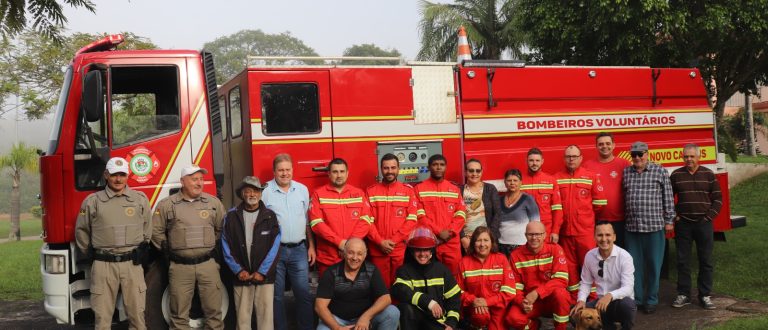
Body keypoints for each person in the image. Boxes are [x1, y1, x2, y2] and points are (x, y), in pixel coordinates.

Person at [74, 157, 151, 330]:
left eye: (122, 174)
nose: (118, 179)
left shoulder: (140, 199)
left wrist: (141, 247)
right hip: (103, 265)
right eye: (114, 175)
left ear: (127, 175)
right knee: (102, 319)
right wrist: (92, 253)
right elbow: (81, 231)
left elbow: (148, 227)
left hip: (132, 264)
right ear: (106, 175)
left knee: (138, 317)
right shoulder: (92, 201)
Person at [152, 165, 227, 329]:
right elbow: (156, 232)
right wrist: (169, 251)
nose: (199, 183)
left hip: (207, 266)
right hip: (180, 267)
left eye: (201, 179)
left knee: (214, 313)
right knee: (179, 316)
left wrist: (209, 245)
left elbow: (222, 228)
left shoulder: (213, 203)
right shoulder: (166, 205)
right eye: (194, 179)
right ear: (182, 182)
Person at [262, 153, 316, 330]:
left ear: (292, 170)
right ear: (274, 172)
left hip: (300, 249)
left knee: (303, 294)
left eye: (287, 169)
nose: (284, 173)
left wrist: (311, 247)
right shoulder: (265, 191)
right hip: (274, 251)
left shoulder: (302, 189)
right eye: (280, 170)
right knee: (276, 296)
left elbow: (307, 221)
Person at [622, 141, 675, 314]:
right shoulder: (626, 173)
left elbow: (668, 198)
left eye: (640, 154)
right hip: (632, 228)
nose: (637, 158)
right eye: (634, 155)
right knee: (633, 266)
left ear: (647, 154)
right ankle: (637, 299)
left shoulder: (659, 171)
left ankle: (651, 299)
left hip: (654, 227)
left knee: (654, 265)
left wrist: (669, 221)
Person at [221, 176, 281, 330]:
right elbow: (225, 245)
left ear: (260, 194)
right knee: (242, 320)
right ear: (242, 194)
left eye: (256, 191)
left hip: (264, 277)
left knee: (266, 320)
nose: (252, 194)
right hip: (241, 276)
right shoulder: (231, 216)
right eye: (248, 191)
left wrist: (262, 272)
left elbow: (275, 247)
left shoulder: (270, 216)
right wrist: (238, 270)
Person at [670, 143, 723, 310]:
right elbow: (668, 198)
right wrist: (674, 216)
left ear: (698, 157)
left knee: (706, 260)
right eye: (686, 156)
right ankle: (684, 294)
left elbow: (718, 199)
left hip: (704, 224)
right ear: (682, 157)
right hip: (683, 224)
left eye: (692, 156)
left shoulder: (708, 174)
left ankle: (705, 295)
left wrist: (709, 217)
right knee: (683, 261)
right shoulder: (676, 175)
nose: (689, 159)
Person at [555, 145, 607, 298]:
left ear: (580, 158)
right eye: (568, 156)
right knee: (569, 267)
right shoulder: (557, 178)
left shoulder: (590, 176)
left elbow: (600, 203)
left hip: (584, 232)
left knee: (590, 265)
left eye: (574, 156)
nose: (571, 159)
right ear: (564, 158)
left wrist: (584, 217)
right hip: (565, 232)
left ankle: (592, 299)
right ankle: (574, 300)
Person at [315, 238, 400, 330]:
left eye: (359, 254)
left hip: (365, 319)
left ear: (365, 255)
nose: (355, 258)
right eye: (351, 252)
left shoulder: (371, 270)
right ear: (344, 253)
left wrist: (366, 317)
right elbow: (320, 307)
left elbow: (386, 299)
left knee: (392, 312)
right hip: (338, 320)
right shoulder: (331, 273)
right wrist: (337, 328)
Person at [310, 158, 372, 277]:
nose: (339, 175)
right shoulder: (318, 194)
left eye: (342, 171)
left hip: (354, 257)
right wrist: (340, 243)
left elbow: (365, 220)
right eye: (335, 172)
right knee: (328, 293)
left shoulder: (358, 194)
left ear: (347, 173)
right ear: (328, 173)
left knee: (352, 292)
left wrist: (349, 245)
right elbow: (316, 223)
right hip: (328, 257)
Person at [392, 227, 462, 330]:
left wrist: (451, 324)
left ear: (432, 251)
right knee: (405, 308)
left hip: (438, 323)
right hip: (415, 322)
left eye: (426, 250)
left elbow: (454, 300)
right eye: (418, 250)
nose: (422, 254)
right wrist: (429, 302)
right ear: (411, 251)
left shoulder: (442, 270)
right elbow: (401, 291)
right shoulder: (404, 271)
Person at [366, 153, 419, 288]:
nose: (389, 171)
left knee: (399, 285)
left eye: (393, 168)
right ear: (381, 169)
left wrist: (394, 241)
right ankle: (384, 309)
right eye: (386, 168)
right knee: (380, 287)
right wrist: (380, 242)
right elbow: (367, 221)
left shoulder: (408, 191)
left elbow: (412, 219)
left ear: (398, 168)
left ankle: (397, 309)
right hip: (378, 248)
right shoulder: (371, 191)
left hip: (399, 248)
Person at [571, 221, 636, 330]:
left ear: (614, 237)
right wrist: (581, 300)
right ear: (594, 237)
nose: (604, 239)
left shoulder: (625, 257)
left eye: (608, 235)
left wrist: (610, 295)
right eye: (600, 235)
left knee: (628, 305)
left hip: (619, 303)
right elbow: (586, 282)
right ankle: (608, 327)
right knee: (574, 312)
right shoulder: (589, 256)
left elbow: (628, 288)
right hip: (599, 304)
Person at [505, 222, 571, 330]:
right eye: (530, 234)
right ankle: (534, 326)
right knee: (512, 318)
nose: (534, 238)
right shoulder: (516, 255)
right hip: (531, 303)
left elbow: (561, 279)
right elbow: (515, 287)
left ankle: (560, 328)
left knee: (561, 294)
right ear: (525, 235)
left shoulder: (555, 249)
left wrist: (537, 293)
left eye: (538, 234)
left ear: (544, 235)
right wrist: (522, 302)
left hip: (551, 300)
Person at [415, 154, 466, 274]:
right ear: (429, 167)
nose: (438, 167)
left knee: (453, 277)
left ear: (445, 167)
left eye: (441, 165)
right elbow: (419, 216)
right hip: (429, 242)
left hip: (451, 243)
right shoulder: (419, 189)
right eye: (435, 165)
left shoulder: (454, 189)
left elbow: (461, 215)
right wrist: (438, 233)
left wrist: (450, 232)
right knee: (430, 276)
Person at [456, 226, 516, 330]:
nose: (482, 244)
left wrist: (488, 302)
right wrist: (473, 300)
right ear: (473, 243)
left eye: (486, 240)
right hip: (475, 308)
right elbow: (457, 291)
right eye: (478, 240)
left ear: (492, 242)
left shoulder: (501, 259)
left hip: (498, 307)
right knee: (480, 317)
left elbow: (509, 290)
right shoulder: (464, 262)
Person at [583, 132, 631, 247]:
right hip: (596, 220)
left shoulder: (624, 164)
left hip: (620, 220)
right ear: (596, 146)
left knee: (619, 253)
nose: (605, 146)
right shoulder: (587, 166)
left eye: (608, 143)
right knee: (600, 254)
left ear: (614, 145)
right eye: (601, 144)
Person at [520, 148, 563, 244]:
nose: (534, 163)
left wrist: (555, 231)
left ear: (542, 161)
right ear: (526, 161)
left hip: (545, 230)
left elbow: (557, 210)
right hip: (524, 230)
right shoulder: (519, 181)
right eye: (531, 160)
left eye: (537, 160)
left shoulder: (551, 181)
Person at [459, 159, 501, 253]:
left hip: (485, 241)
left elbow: (497, 214)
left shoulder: (490, 189)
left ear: (481, 172)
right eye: (471, 170)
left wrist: (489, 237)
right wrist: (462, 238)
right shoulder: (458, 190)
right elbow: (454, 216)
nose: (474, 173)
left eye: (478, 171)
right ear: (465, 172)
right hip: (467, 241)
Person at [498, 169, 540, 256]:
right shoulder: (498, 200)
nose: (512, 183)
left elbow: (536, 224)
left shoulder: (528, 199)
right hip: (501, 245)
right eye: (509, 180)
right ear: (505, 183)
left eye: (515, 180)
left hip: (522, 245)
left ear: (521, 182)